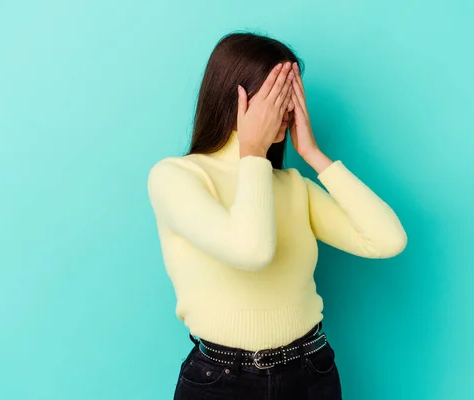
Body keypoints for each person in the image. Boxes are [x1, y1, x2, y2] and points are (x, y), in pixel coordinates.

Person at [147, 32, 407, 400]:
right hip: (222, 382)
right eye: (276, 95)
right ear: (234, 97)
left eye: (293, 96)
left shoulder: (292, 186)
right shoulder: (176, 177)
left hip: (311, 371)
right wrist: (252, 151)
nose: (286, 109)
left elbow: (387, 239)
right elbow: (251, 252)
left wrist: (314, 154)